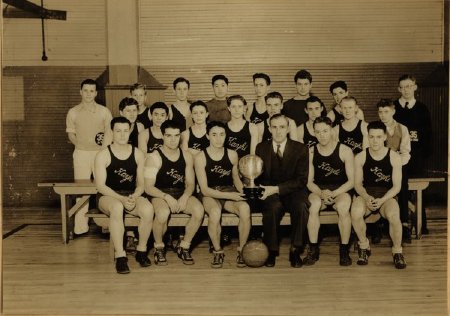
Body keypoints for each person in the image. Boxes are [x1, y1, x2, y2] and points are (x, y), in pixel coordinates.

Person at [94, 117, 153, 274]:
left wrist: (134, 196)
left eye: (125, 131)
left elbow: (141, 184)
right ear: (112, 132)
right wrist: (121, 199)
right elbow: (100, 186)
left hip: (130, 194)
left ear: (130, 131)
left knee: (148, 209)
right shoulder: (103, 155)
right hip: (107, 196)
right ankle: (120, 256)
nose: (122, 135)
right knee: (117, 207)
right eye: (118, 131)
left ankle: (141, 251)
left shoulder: (138, 154)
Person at [144, 120, 204, 265]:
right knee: (163, 213)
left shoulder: (187, 156)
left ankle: (184, 246)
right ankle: (158, 247)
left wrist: (185, 196)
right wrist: (167, 197)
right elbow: (148, 187)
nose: (173, 140)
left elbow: (190, 183)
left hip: (180, 192)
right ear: (162, 136)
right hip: (160, 193)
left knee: (199, 210)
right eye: (169, 136)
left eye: (176, 136)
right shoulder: (154, 157)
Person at [255, 114, 309, 268]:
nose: (278, 131)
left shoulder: (301, 149)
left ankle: (295, 249)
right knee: (272, 208)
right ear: (269, 129)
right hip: (270, 192)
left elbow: (301, 180)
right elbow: (258, 178)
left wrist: (277, 189)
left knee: (301, 207)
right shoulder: (261, 148)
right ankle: (271, 251)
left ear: (288, 129)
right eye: (274, 127)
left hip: (294, 191)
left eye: (282, 127)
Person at [195, 121, 251, 268]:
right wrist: (231, 196)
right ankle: (217, 251)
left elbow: (236, 179)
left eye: (221, 134)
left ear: (226, 136)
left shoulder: (232, 154)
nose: (218, 138)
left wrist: (244, 192)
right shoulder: (200, 157)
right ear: (207, 136)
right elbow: (205, 189)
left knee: (245, 208)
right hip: (209, 193)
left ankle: (242, 250)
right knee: (214, 212)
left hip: (227, 190)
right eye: (214, 134)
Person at [351, 121, 406, 269]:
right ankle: (364, 246)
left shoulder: (394, 157)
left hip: (386, 196)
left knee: (394, 216)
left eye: (378, 137)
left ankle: (397, 252)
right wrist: (368, 198)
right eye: (372, 137)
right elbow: (357, 184)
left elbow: (397, 187)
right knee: (355, 212)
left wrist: (382, 200)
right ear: (367, 137)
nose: (375, 140)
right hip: (367, 194)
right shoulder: (361, 157)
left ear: (384, 137)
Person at [66, 79, 112, 236]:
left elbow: (109, 132)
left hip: (100, 154)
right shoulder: (73, 112)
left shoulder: (104, 111)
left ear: (96, 93)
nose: (88, 94)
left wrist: (103, 151)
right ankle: (80, 227)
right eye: (85, 90)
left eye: (91, 91)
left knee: (104, 187)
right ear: (80, 92)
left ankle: (106, 225)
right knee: (81, 190)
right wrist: (80, 145)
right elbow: (71, 134)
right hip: (81, 154)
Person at [305, 117, 354, 266]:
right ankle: (313, 249)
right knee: (313, 206)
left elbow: (351, 181)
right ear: (314, 133)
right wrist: (321, 193)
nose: (322, 135)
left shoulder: (345, 150)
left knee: (343, 207)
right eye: (318, 132)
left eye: (325, 131)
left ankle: (344, 250)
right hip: (320, 190)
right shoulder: (311, 151)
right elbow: (308, 181)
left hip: (340, 190)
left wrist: (334, 193)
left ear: (332, 131)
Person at [393, 74, 433, 234]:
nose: (406, 90)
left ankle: (421, 224)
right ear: (398, 89)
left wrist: (422, 154)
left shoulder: (422, 108)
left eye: (409, 86)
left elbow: (428, 134)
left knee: (420, 190)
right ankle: (402, 223)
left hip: (417, 156)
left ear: (415, 87)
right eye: (402, 87)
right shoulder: (394, 107)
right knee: (400, 187)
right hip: (398, 156)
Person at [377, 98, 411, 243]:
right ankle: (377, 225)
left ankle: (403, 222)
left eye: (386, 112)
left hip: (397, 164)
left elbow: (405, 151)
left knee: (402, 186)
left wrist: (396, 164)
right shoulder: (375, 128)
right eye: (380, 112)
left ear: (393, 111)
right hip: (379, 165)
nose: (383, 115)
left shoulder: (402, 128)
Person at [117, 97, 145, 253]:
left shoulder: (140, 127)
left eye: (135, 110)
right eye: (128, 111)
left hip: (136, 166)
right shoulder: (115, 127)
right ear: (121, 112)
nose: (132, 113)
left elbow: (141, 152)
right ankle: (129, 234)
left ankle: (140, 234)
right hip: (119, 168)